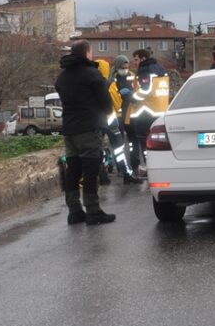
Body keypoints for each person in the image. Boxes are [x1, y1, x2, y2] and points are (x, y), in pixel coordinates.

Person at [55, 40, 116, 225]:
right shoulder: (92, 74)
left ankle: (74, 212)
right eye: (91, 53)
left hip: (69, 129)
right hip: (88, 129)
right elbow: (106, 105)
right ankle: (93, 211)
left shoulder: (62, 77)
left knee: (73, 169)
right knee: (91, 170)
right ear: (87, 54)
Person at [129, 49, 168, 173]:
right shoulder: (160, 69)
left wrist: (133, 99)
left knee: (144, 141)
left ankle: (149, 166)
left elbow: (145, 90)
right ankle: (161, 165)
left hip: (146, 111)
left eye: (136, 59)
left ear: (143, 59)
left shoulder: (145, 70)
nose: (134, 62)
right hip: (160, 110)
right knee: (160, 141)